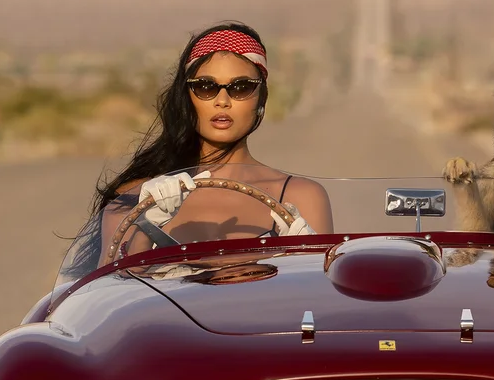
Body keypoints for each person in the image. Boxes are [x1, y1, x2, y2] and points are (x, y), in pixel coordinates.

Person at [85, 22, 333, 267]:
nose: (222, 100)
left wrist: (307, 262)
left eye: (241, 87)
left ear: (261, 98)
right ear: (186, 97)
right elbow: (112, 294)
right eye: (205, 87)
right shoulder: (135, 198)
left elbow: (316, 301)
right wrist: (144, 228)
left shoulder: (301, 196)